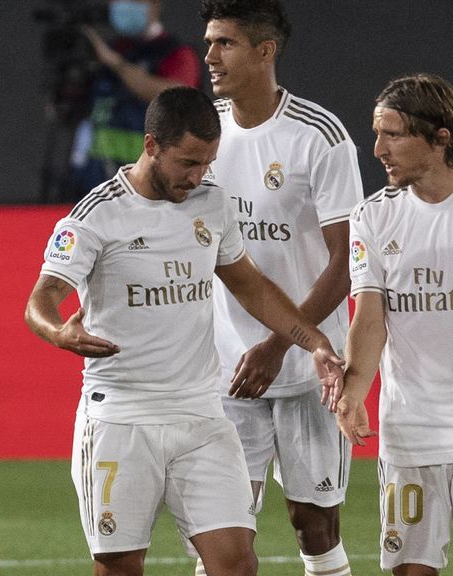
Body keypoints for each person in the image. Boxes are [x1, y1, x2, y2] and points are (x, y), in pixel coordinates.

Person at [24, 86, 345, 576]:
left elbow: (252, 287)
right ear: (151, 145)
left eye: (207, 164)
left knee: (236, 563)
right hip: (123, 417)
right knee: (119, 566)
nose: (198, 176)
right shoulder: (97, 214)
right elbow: (41, 299)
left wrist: (313, 340)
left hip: (201, 415)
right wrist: (58, 334)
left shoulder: (211, 205)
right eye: (188, 163)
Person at [199, 2, 363, 574]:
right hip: (228, 368)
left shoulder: (319, 136)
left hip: (308, 369)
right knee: (222, 529)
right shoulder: (205, 132)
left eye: (225, 43)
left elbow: (346, 263)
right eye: (209, 42)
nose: (210, 56)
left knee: (313, 525)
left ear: (265, 50)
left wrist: (280, 345)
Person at [336, 73, 453, 576]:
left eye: (394, 134)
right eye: (376, 132)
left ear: (441, 137)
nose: (378, 147)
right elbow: (369, 316)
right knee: (409, 570)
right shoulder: (372, 217)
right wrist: (353, 391)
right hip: (413, 429)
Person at [62, 0, 201, 199]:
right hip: (93, 185)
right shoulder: (108, 51)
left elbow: (176, 97)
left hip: (148, 189)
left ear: (154, 5)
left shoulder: (176, 54)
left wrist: (115, 63)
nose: (123, 5)